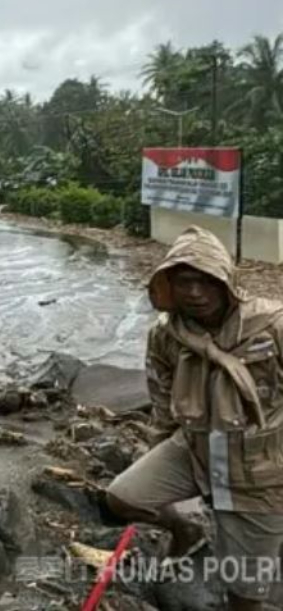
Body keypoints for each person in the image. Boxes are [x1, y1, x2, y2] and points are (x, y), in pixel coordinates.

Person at [104, 226, 283, 610]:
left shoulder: (272, 326)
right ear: (169, 284)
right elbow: (163, 403)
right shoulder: (166, 336)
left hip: (260, 469)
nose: (195, 293)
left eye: (207, 281)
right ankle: (187, 530)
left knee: (245, 596)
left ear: (227, 281)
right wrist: (159, 453)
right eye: (185, 282)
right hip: (195, 448)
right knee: (123, 497)